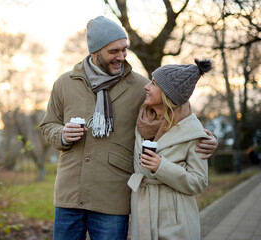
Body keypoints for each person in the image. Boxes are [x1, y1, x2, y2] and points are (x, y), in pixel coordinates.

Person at [40, 16, 217, 240]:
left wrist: (208, 138)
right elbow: (48, 125)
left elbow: (176, 113)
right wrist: (62, 134)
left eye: (125, 50)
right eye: (114, 51)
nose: (121, 57)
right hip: (69, 195)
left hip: (113, 198)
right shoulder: (65, 83)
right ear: (94, 52)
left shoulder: (139, 86)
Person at [128, 59, 213, 240]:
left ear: (168, 94)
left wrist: (162, 167)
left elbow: (199, 181)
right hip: (142, 211)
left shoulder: (192, 131)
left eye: (154, 83)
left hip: (175, 220)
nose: (146, 87)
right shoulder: (142, 119)